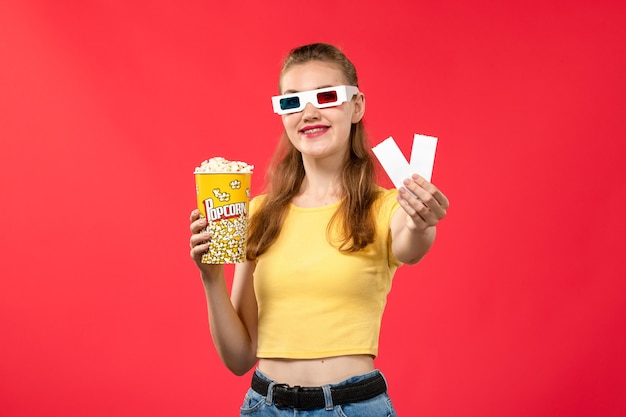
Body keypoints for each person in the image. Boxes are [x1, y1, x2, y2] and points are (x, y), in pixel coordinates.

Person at [189, 42, 449, 416]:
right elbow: (239, 357)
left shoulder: (385, 206)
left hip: (352, 407)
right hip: (265, 407)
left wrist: (422, 220)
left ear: (356, 105)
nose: (309, 112)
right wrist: (211, 278)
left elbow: (412, 243)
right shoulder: (256, 214)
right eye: (292, 102)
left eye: (326, 96)